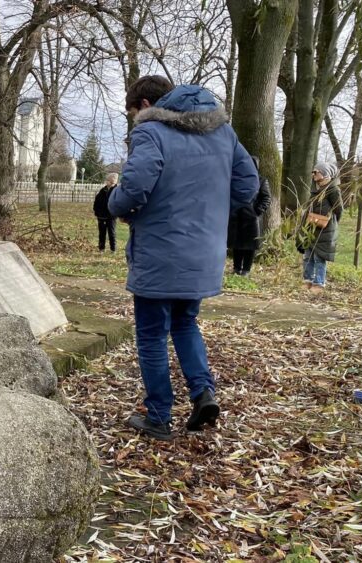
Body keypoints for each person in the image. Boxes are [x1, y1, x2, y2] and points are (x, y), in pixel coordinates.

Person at [108, 76, 259, 441]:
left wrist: (116, 206)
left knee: (151, 334)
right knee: (186, 323)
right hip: (203, 253)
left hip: (160, 251)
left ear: (145, 105)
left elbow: (135, 187)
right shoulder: (224, 133)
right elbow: (248, 186)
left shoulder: (151, 133)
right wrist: (208, 211)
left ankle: (159, 415)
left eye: (132, 112)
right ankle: (203, 392)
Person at [300, 161, 343, 294]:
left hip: (324, 230)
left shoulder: (333, 190)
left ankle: (319, 283)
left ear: (324, 173)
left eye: (316, 172)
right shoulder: (316, 190)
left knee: (320, 257)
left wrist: (330, 224)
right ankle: (308, 280)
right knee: (308, 256)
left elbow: (339, 209)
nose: (313, 174)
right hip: (311, 229)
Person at [227, 156, 273, 276]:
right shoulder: (236, 179)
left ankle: (246, 269)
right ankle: (236, 268)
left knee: (250, 245)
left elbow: (266, 198)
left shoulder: (261, 180)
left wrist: (256, 211)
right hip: (237, 216)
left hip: (252, 219)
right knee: (237, 244)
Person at [93, 173, 119, 252]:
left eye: (112, 182)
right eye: (108, 181)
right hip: (101, 216)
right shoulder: (102, 191)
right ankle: (101, 248)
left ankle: (113, 249)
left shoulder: (116, 191)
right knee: (102, 233)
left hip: (111, 216)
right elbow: (96, 203)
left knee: (112, 233)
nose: (110, 183)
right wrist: (97, 212)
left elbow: (118, 203)